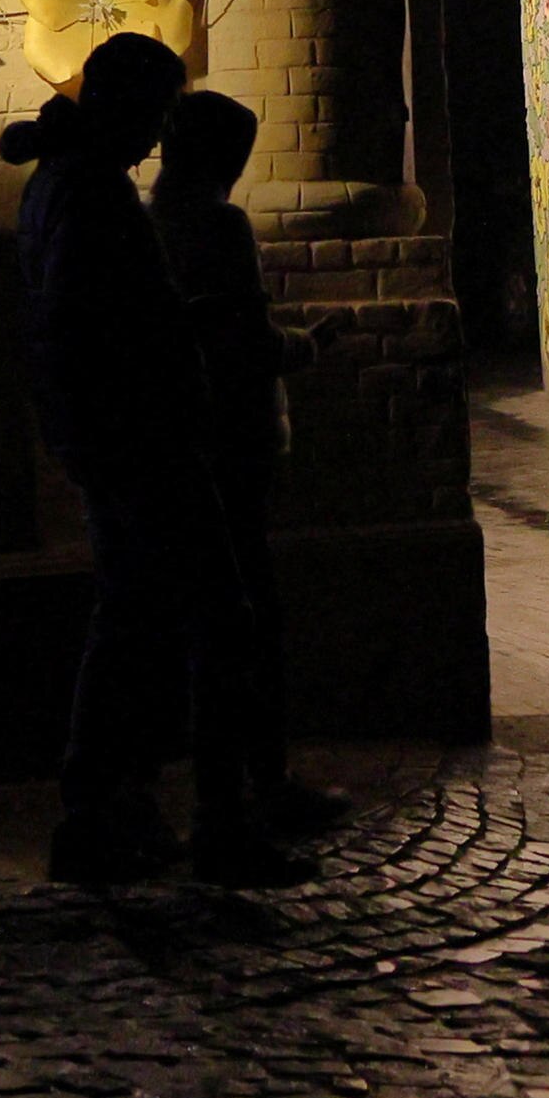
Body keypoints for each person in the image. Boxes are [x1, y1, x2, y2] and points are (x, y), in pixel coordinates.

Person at [9, 33, 308, 888]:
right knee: (220, 618)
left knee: (131, 620)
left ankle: (106, 810)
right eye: (155, 113)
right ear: (127, 105)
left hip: (110, 438)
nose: (156, 137)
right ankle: (216, 824)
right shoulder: (92, 192)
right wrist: (184, 333)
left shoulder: (60, 182)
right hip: (142, 438)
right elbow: (99, 321)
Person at [152, 85, 342, 838]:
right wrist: (305, 345)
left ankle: (220, 789)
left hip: (176, 445)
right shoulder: (219, 224)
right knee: (247, 620)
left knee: (203, 620)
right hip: (233, 444)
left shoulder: (147, 222)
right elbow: (241, 343)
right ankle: (253, 788)